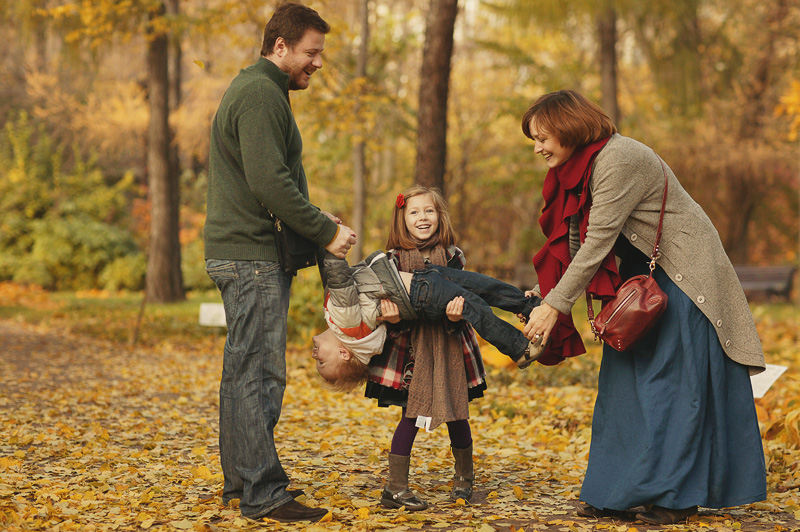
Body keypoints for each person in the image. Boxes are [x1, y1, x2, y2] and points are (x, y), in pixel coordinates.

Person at [520, 90, 767, 525]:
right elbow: (579, 239)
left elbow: (599, 241)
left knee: (671, 386)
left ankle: (674, 496)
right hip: (642, 272)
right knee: (623, 384)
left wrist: (554, 307)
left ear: (569, 128)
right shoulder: (576, 169)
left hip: (683, 272)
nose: (537, 147)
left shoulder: (619, 159)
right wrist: (557, 303)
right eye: (534, 140)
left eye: (542, 137)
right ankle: (614, 491)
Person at [203, 3, 356, 524]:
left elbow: (267, 180)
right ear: (281, 46)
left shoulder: (260, 93)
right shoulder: (260, 93)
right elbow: (270, 183)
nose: (317, 63)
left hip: (247, 254)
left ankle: (239, 483)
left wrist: (313, 217)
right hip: (251, 258)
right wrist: (326, 230)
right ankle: (263, 495)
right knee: (259, 375)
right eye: (311, 53)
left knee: (242, 372)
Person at [313, 250, 542, 388]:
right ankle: (518, 347)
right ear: (344, 354)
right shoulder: (345, 323)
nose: (315, 356)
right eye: (321, 362)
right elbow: (338, 280)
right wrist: (331, 240)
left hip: (422, 281)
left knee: (483, 286)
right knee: (476, 303)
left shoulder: (349, 329)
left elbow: (331, 280)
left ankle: (531, 307)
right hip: (421, 291)